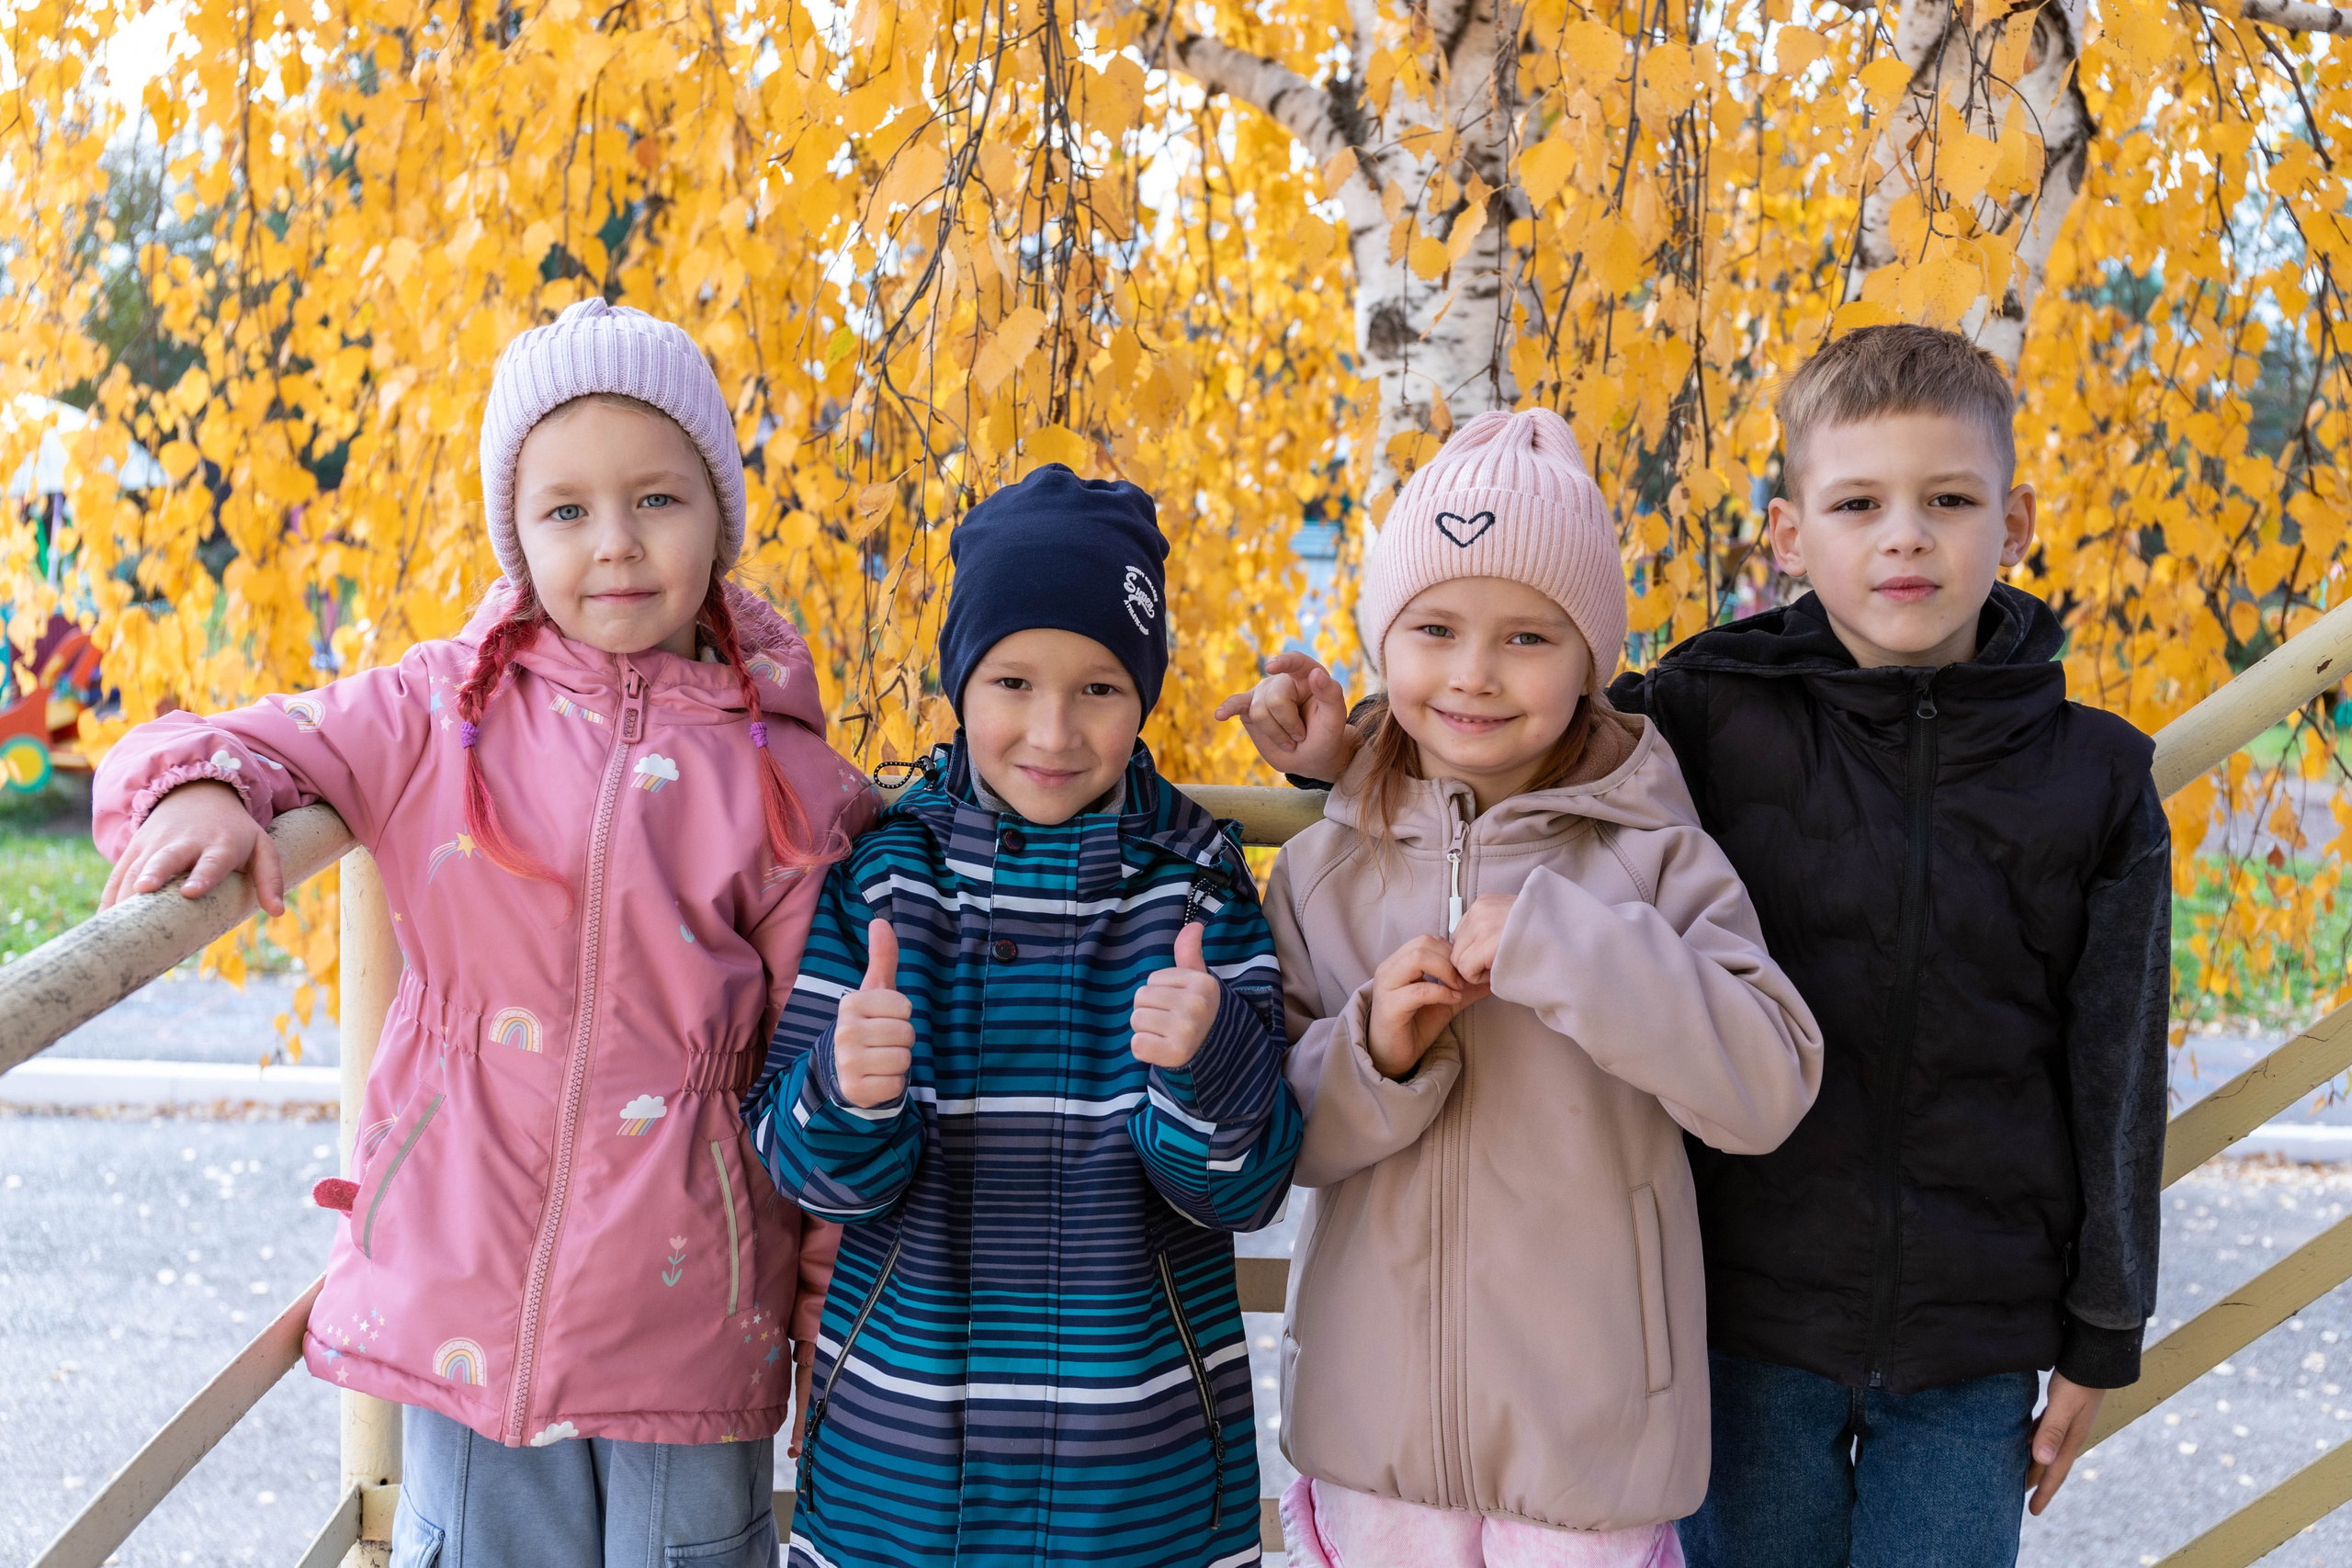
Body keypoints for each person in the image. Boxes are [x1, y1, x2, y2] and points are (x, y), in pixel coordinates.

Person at [1227, 328, 2172, 1568]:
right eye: (1858, 502)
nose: (1905, 535)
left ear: (2017, 519)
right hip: (1747, 1303)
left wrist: (2101, 1329)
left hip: (1971, 1319)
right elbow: (1513, 730)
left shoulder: (2094, 775)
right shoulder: (1714, 709)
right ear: (1788, 535)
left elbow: (2120, 1067)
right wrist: (1345, 755)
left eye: (1948, 500)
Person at [94, 299, 875, 1568]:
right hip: (462, 1301)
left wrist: (831, 1338)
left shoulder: (788, 782)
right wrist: (198, 788)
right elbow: (219, 736)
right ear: (517, 530)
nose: (614, 544)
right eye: (565, 508)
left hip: (692, 1317)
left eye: (657, 500)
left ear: (719, 516)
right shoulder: (434, 715)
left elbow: (826, 1092)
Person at [1244, 407, 1823, 1567]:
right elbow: (1268, 1137)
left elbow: (1767, 1086)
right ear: (1381, 641)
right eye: (1435, 628)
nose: (1471, 674)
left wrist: (1576, 950)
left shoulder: (1652, 855)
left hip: (1591, 1447)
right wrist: (1374, 1053)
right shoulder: (1323, 868)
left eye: (1526, 638)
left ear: (1590, 660)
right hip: (1374, 1436)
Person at [743, 464, 1304, 1567]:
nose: (1051, 730)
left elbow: (1244, 1186)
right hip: (901, 1475)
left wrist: (1209, 1067)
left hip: (1139, 1472)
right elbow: (803, 1169)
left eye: (1097, 687)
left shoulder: (1193, 884)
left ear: (1144, 690)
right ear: (961, 681)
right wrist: (850, 1095)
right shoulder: (886, 881)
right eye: (1011, 682)